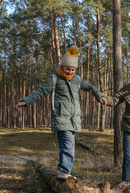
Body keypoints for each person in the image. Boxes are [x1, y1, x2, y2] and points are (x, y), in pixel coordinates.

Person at [16, 47, 107, 181]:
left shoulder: (77, 79)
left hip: (73, 118)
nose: (70, 72)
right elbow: (40, 92)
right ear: (62, 66)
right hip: (61, 116)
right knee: (67, 143)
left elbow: (90, 88)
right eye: (67, 69)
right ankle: (64, 172)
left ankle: (64, 171)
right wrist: (25, 101)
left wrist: (99, 96)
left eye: (72, 69)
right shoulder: (54, 79)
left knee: (68, 144)